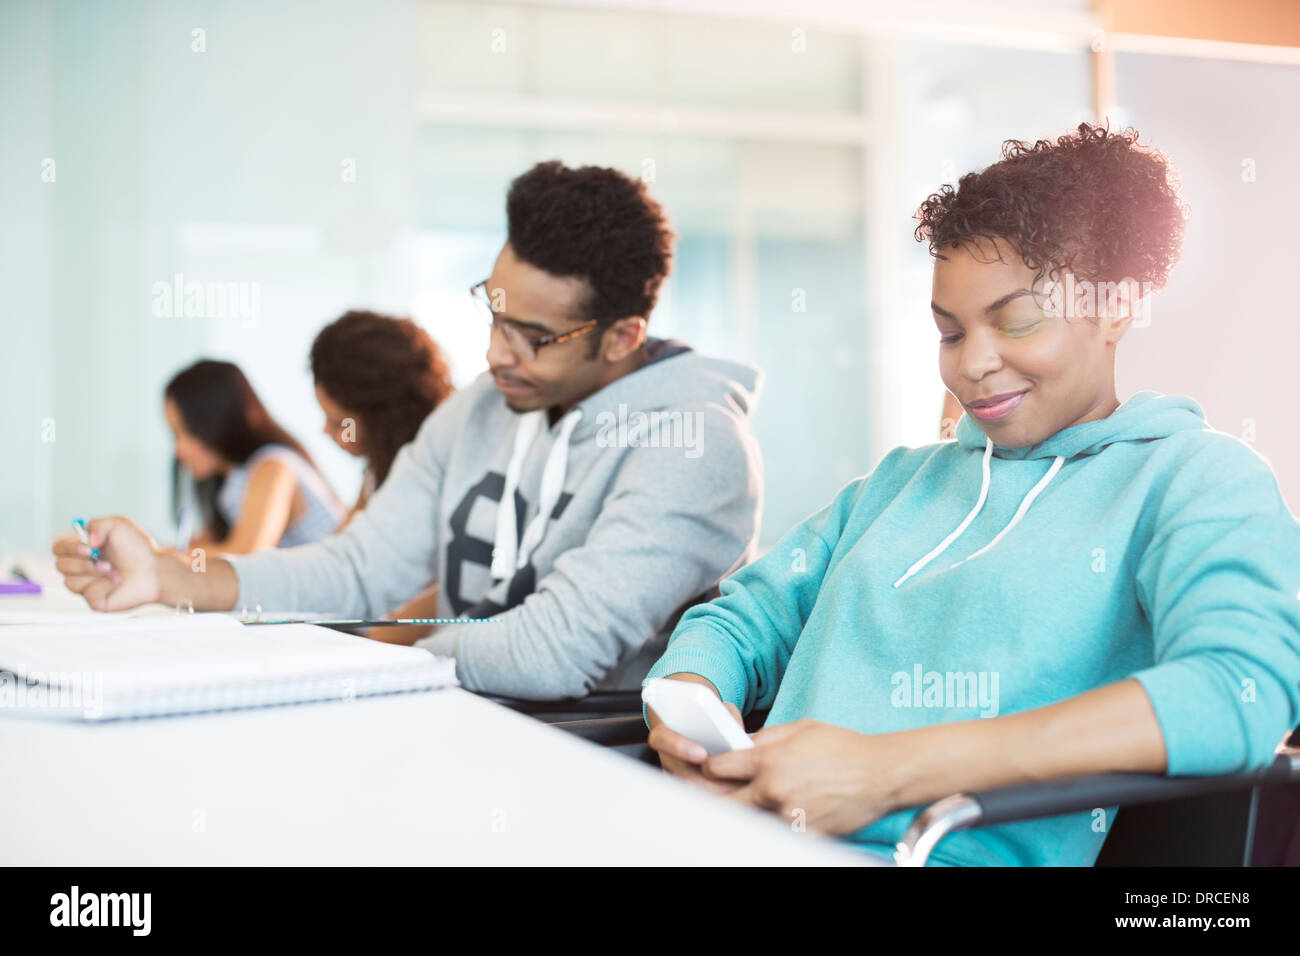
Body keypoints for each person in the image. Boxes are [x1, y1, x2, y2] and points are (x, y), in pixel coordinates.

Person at [643, 123, 1300, 866]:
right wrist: (687, 706)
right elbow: (739, 620)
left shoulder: (1195, 480)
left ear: (1118, 306)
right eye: (950, 332)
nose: (974, 364)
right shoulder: (899, 483)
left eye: (1016, 319)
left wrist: (886, 774)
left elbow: (1237, 691)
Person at [53, 160, 764, 700]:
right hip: (457, 721)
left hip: (594, 767)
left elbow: (555, 653)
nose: (493, 354)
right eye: (494, 311)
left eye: (532, 336)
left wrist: (386, 656)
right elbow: (359, 570)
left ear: (621, 336)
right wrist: (172, 576)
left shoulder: (697, 447)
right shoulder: (485, 405)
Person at [165, 360, 345, 554]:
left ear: (213, 422)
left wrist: (172, 560)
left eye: (184, 433)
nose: (178, 450)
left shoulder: (273, 467)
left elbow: (244, 556)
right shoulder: (231, 483)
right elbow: (203, 547)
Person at [310, 310, 455, 527]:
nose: (326, 432)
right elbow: (344, 546)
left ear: (382, 422)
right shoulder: (376, 472)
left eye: (339, 424)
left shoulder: (430, 477)